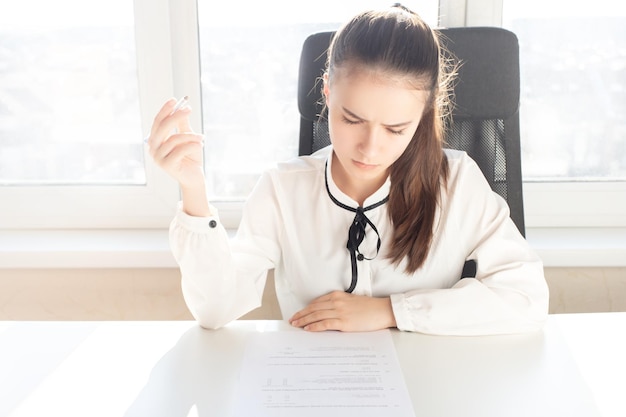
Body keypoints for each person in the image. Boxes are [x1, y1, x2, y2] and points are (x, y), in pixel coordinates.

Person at [146, 4, 549, 335]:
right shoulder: (283, 189)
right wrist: (193, 191)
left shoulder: (457, 181)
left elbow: (528, 296)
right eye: (352, 119)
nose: (370, 148)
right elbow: (215, 310)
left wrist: (391, 311)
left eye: (396, 128)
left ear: (425, 113)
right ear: (326, 91)